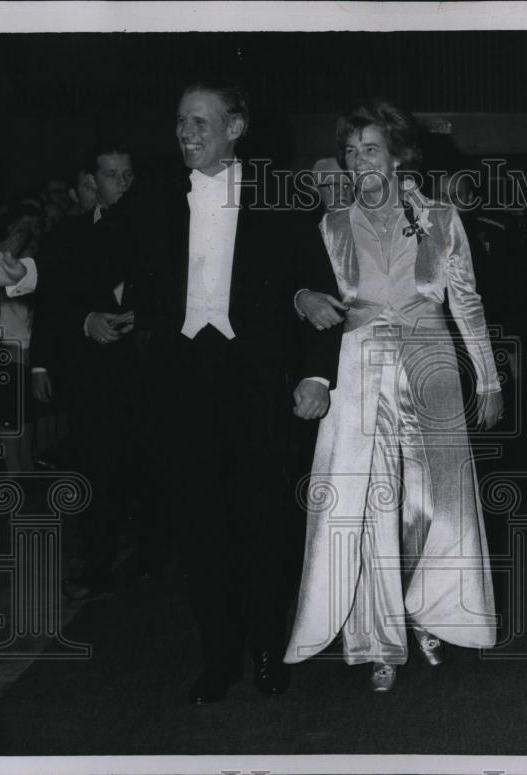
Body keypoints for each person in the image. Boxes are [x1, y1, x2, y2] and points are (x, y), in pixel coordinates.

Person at [135, 83, 342, 705]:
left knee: (264, 522)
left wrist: (315, 375)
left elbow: (316, 287)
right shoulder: (154, 197)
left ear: (236, 126)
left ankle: (264, 649)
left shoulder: (279, 198)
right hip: (183, 384)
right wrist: (27, 271)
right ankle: (217, 658)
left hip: (254, 382)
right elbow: (89, 250)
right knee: (200, 527)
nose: (186, 132)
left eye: (200, 121)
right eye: (180, 121)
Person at [285, 99, 502, 693]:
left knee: (438, 501)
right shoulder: (331, 225)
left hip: (430, 363)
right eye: (350, 153)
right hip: (358, 369)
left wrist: (488, 377)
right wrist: (304, 296)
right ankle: (377, 639)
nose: (359, 163)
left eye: (370, 149)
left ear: (400, 154)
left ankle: (430, 612)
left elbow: (468, 302)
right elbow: (303, 297)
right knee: (366, 506)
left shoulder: (440, 217)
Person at [28, 141, 138, 600]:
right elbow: (51, 303)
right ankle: (96, 564)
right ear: (92, 183)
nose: (123, 184)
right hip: (92, 374)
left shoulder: (163, 230)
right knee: (98, 466)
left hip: (148, 370)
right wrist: (47, 357)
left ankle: (148, 552)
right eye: (112, 175)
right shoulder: (68, 236)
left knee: (144, 464)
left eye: (128, 175)